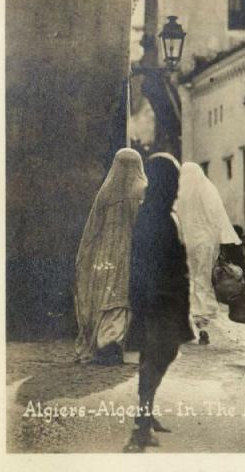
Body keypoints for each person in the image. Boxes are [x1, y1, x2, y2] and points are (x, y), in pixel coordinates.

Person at [124, 153, 194, 452]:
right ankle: (141, 424)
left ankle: (146, 414)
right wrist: (151, 297)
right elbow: (145, 262)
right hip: (160, 298)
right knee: (161, 353)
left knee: (152, 355)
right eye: (174, 180)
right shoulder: (154, 214)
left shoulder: (160, 211)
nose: (177, 186)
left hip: (167, 297)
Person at [74, 148, 147, 365]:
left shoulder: (106, 191)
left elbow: (93, 227)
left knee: (106, 293)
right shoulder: (141, 189)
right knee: (125, 293)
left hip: (104, 253)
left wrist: (88, 252)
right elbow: (144, 225)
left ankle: (104, 341)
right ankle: (118, 343)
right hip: (132, 251)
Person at [174, 162, 242, 345]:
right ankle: (202, 323)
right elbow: (217, 215)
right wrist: (223, 241)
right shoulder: (207, 189)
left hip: (184, 243)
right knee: (203, 280)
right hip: (205, 243)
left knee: (187, 281)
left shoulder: (178, 192)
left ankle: (187, 322)